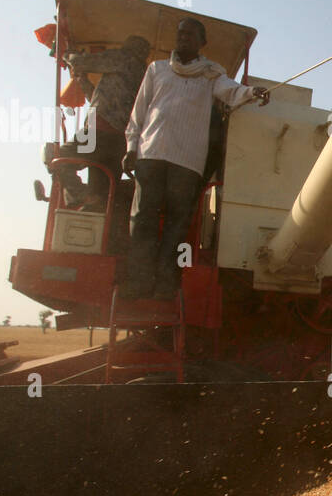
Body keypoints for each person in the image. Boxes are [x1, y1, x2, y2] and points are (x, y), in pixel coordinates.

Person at [121, 18, 270, 300]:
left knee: (178, 226)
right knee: (143, 220)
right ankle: (138, 283)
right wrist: (131, 147)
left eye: (190, 35)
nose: (183, 38)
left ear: (202, 43)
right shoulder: (157, 69)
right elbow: (139, 113)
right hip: (151, 154)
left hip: (187, 163)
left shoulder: (211, 75)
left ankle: (165, 286)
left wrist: (253, 92)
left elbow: (233, 92)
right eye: (180, 34)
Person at [59, 36, 151, 209]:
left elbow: (80, 62)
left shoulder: (122, 58)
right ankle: (91, 205)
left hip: (98, 133)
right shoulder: (143, 74)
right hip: (119, 142)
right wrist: (82, 79)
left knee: (60, 158)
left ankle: (78, 195)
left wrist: (68, 54)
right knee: (101, 197)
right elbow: (99, 98)